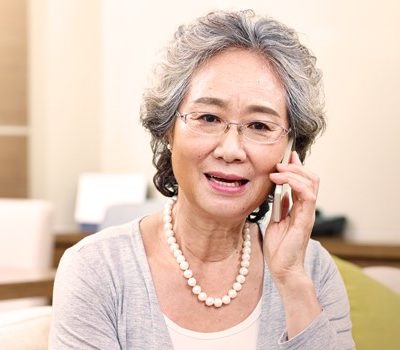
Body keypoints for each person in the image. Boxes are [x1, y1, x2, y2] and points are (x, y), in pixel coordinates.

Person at [49, 10, 355, 349]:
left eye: (259, 126)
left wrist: (291, 280)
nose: (231, 149)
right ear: (168, 130)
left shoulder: (312, 269)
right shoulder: (96, 268)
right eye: (208, 117)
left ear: (288, 150)